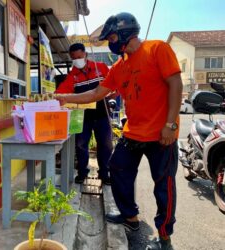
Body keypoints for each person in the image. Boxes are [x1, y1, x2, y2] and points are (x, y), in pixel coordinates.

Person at [56, 13, 182, 250]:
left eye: (112, 37)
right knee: (117, 168)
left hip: (161, 134)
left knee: (163, 185)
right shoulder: (119, 67)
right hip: (133, 132)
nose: (111, 42)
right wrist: (63, 97)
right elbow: (94, 94)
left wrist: (171, 125)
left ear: (125, 32)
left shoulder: (157, 49)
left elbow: (176, 83)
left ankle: (165, 238)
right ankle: (130, 217)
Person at [55, 43, 113, 185]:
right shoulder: (72, 76)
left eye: (79, 57)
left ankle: (104, 174)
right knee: (81, 145)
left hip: (102, 114)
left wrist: (112, 94)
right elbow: (60, 93)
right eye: (74, 58)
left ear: (85, 54)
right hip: (81, 116)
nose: (77, 60)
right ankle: (82, 173)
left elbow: (115, 85)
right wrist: (52, 98)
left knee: (105, 144)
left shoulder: (101, 68)